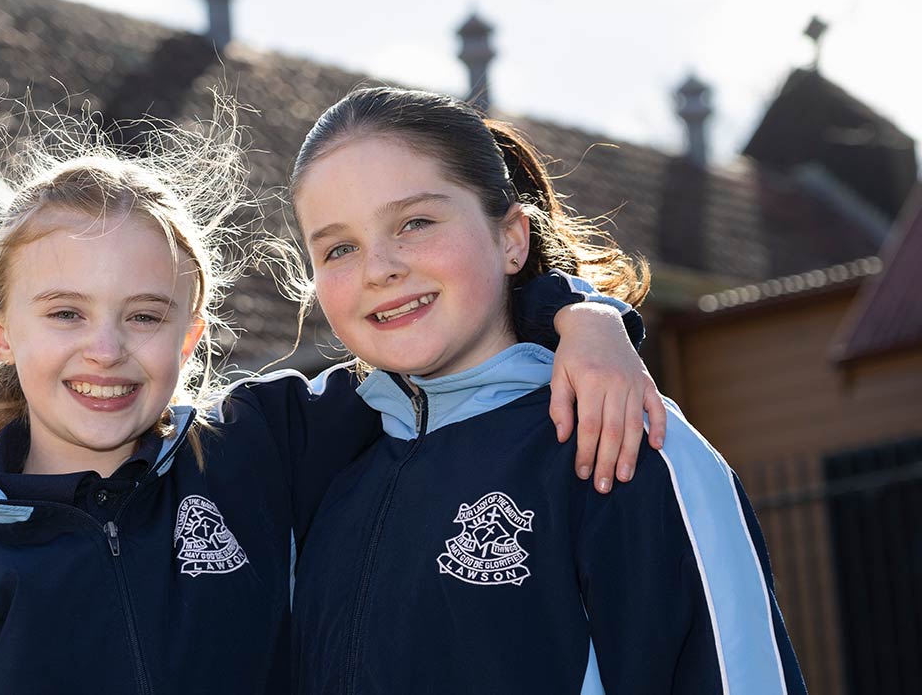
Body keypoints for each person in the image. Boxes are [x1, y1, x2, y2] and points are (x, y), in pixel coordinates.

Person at [0, 102, 660, 694]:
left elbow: (445, 350)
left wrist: (580, 316)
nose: (106, 348)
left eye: (145, 316)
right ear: (0, 332)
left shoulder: (261, 449)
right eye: (66, 313)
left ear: (191, 337)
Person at [284, 86, 803, 693]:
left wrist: (586, 313)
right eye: (340, 247)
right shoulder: (313, 467)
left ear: (511, 239)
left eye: (415, 222)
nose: (379, 268)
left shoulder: (623, 437)